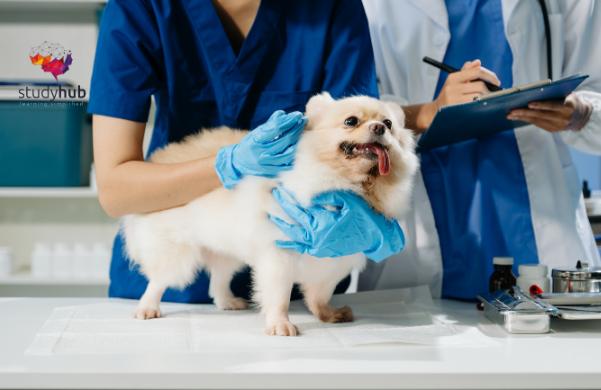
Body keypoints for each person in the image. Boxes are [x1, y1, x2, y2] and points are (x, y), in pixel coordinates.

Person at [89, 0, 403, 303]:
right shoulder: (139, 7)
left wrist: (364, 223)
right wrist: (229, 165)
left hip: (297, 287)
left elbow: (361, 137)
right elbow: (117, 191)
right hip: (174, 282)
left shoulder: (332, 6)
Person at [360, 0, 601, 299]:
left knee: (549, 333)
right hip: (422, 210)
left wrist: (582, 111)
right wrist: (432, 109)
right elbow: (354, 115)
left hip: (533, 212)